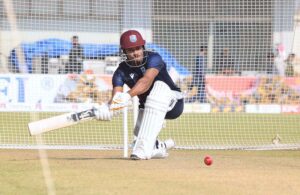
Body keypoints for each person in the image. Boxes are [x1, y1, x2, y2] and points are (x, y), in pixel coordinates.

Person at [95, 30, 184, 160]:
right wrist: (108, 108)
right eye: (131, 50)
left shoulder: (154, 58)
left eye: (138, 48)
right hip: (149, 107)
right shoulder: (120, 72)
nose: (135, 53)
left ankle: (142, 150)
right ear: (124, 52)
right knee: (139, 131)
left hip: (173, 102)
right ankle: (159, 147)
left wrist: (127, 95)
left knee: (159, 88)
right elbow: (116, 98)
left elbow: (146, 81)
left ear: (143, 47)